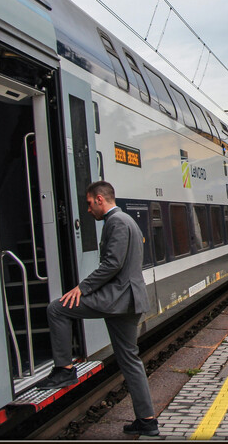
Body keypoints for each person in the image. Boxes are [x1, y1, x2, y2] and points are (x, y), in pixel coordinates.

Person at [35, 181, 158, 437]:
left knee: (57, 309)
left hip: (118, 299)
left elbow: (112, 263)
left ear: (100, 199)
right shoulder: (127, 221)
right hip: (128, 300)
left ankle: (64, 370)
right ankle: (147, 421)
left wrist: (83, 288)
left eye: (90, 203)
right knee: (129, 360)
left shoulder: (116, 222)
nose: (88, 210)